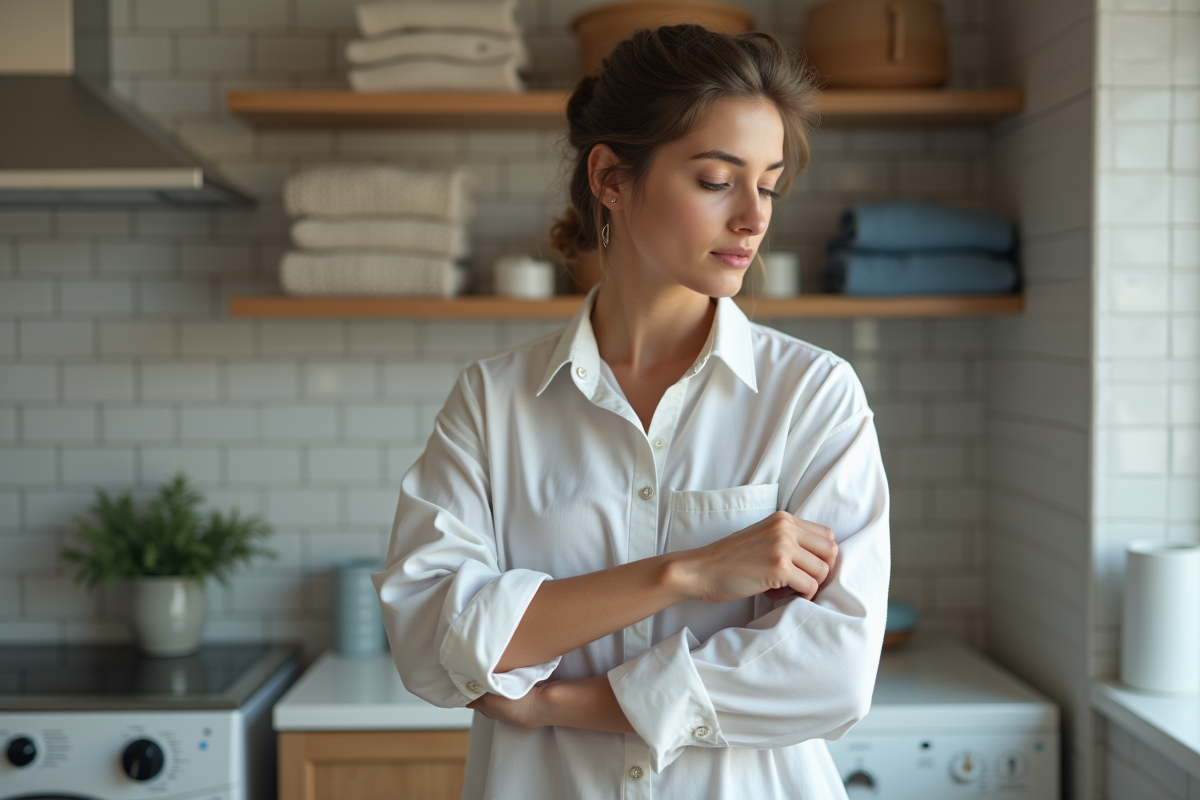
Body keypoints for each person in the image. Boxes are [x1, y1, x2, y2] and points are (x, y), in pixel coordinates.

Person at [373, 24, 890, 800]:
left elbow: (828, 675)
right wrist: (687, 573)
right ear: (612, 177)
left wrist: (557, 700)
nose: (754, 217)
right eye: (718, 180)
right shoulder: (492, 403)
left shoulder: (813, 396)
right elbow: (433, 641)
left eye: (770, 184)